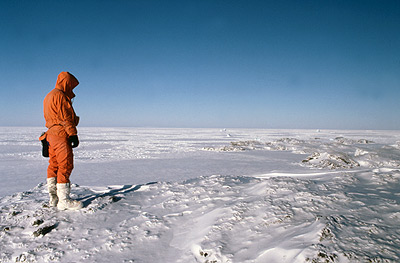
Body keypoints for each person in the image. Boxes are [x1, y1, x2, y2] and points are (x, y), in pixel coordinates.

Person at [39, 71, 82, 210]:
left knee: (54, 165)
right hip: (60, 134)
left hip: (51, 135)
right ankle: (64, 201)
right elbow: (65, 117)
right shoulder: (60, 96)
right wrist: (72, 134)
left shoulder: (49, 96)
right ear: (67, 83)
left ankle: (54, 199)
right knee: (65, 165)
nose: (72, 89)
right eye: (71, 85)